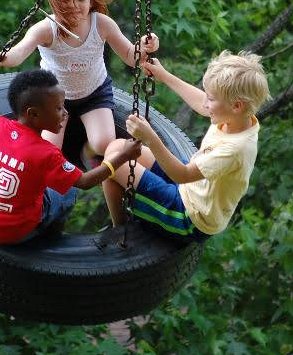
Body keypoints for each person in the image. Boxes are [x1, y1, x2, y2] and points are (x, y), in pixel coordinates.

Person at [0, 0, 158, 161]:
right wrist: (0, 57)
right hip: (54, 97)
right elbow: (19, 53)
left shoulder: (101, 24)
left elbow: (131, 56)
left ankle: (86, 159)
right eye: (67, 0)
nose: (75, 6)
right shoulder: (46, 30)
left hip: (94, 92)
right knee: (49, 149)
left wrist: (145, 46)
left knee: (103, 143)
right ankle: (61, 174)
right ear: (56, 2)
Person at [0, 63, 142, 244]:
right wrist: (123, 156)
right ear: (33, 114)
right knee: (69, 191)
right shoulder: (46, 154)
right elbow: (85, 182)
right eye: (59, 108)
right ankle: (50, 236)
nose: (65, 113)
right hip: (13, 232)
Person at [101, 51, 271, 242]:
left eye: (211, 99)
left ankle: (119, 232)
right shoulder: (235, 118)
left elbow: (183, 174)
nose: (206, 103)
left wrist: (151, 138)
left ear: (236, 105)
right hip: (190, 187)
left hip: (190, 217)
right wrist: (164, 75)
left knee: (113, 164)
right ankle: (121, 223)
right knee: (117, 148)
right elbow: (201, 103)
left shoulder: (235, 149)